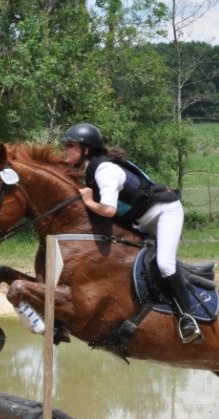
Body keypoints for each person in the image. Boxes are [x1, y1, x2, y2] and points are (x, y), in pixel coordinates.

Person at [60, 123, 202, 344]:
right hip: (140, 220)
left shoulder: (105, 170)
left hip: (165, 213)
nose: (65, 150)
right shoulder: (88, 169)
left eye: (70, 145)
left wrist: (87, 200)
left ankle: (188, 317)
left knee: (164, 264)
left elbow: (108, 210)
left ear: (86, 149)